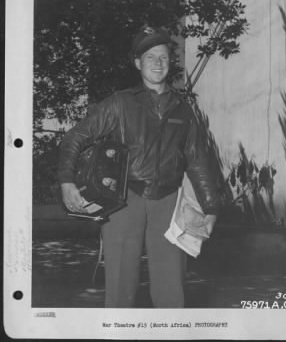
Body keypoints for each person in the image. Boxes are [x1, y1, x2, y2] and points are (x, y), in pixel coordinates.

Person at [58, 26, 221, 308]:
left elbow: (198, 160)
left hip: (169, 203)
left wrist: (211, 207)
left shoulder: (183, 109)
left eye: (164, 57)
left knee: (171, 287)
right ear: (138, 63)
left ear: (170, 63)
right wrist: (66, 180)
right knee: (120, 284)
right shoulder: (120, 103)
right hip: (124, 200)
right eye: (150, 57)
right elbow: (76, 137)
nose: (158, 63)